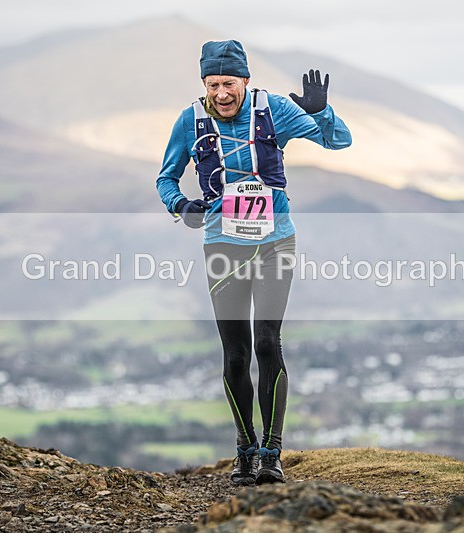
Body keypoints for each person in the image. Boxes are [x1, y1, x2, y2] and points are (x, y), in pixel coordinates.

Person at [156, 40, 351, 485]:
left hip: (275, 241)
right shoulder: (190, 120)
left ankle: (272, 453)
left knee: (267, 341)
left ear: (246, 80)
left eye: (229, 83)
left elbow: (339, 141)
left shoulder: (273, 110)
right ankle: (244, 449)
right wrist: (180, 206)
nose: (221, 93)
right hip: (222, 243)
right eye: (212, 84)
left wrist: (321, 112)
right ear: (203, 83)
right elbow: (166, 177)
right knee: (236, 353)